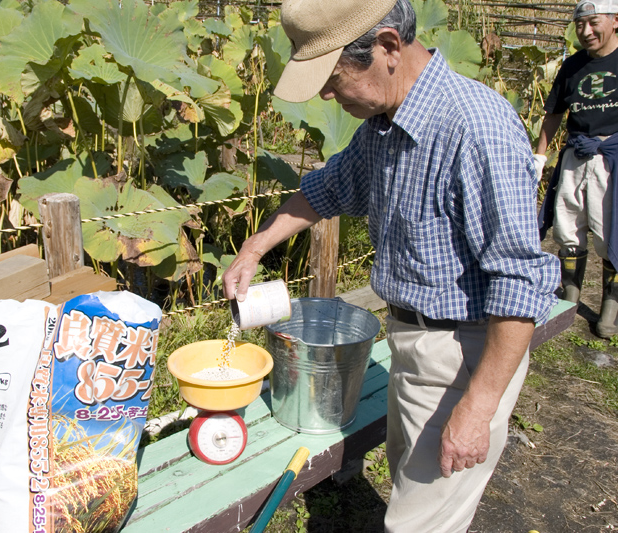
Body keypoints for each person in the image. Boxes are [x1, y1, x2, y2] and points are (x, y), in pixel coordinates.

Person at [222, 0, 559, 530]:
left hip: (466, 352)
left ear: (387, 47)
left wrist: (477, 408)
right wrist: (255, 248)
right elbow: (326, 190)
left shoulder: (475, 127)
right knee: (411, 487)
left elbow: (519, 282)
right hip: (409, 342)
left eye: (332, 78)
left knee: (414, 525)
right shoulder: (385, 124)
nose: (326, 95)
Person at [535, 0, 618, 338]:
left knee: (610, 230)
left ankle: (609, 308)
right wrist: (540, 155)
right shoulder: (572, 66)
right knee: (568, 227)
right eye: (580, 25)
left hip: (614, 157)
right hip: (576, 153)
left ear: (616, 20)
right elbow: (554, 112)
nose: (585, 32)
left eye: (593, 23)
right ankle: (569, 297)